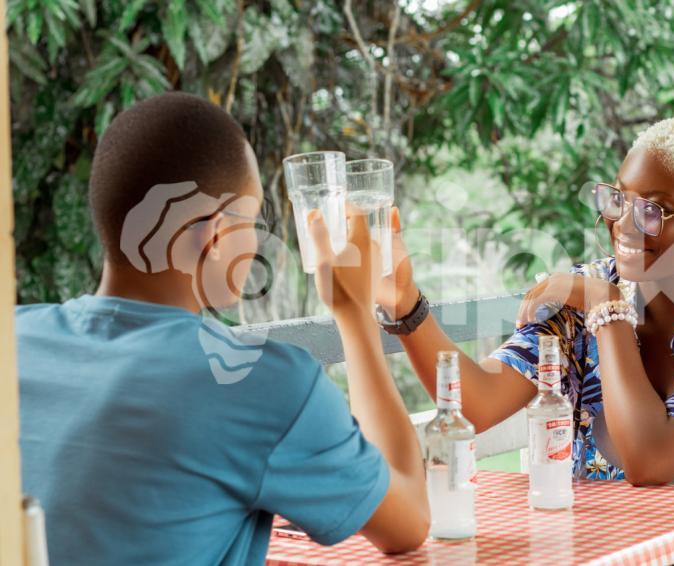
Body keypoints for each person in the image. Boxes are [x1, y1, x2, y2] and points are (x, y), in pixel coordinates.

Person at [376, 115, 674, 565]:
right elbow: (476, 403)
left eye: (653, 209)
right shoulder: (585, 290)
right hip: (615, 544)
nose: (625, 225)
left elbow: (648, 459)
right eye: (618, 200)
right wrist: (407, 307)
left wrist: (606, 306)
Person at [16, 92, 429, 566]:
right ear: (215, 237)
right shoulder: (257, 382)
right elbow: (409, 522)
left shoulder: (15, 341)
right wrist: (353, 312)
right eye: (252, 220)